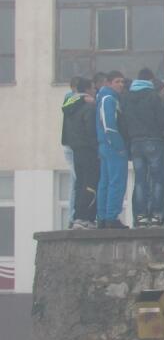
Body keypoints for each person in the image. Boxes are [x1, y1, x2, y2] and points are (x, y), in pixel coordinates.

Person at [121, 68, 164, 227]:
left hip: (135, 142)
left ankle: (140, 216)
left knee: (140, 180)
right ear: (151, 79)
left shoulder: (126, 97)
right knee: (157, 180)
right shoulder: (153, 96)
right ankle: (155, 216)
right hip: (153, 140)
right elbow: (161, 120)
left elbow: (124, 121)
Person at [62, 77, 98, 229]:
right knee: (90, 183)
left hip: (75, 148)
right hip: (88, 149)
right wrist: (96, 147)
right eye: (94, 88)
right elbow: (90, 130)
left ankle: (77, 216)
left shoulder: (71, 105)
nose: (95, 91)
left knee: (79, 183)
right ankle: (85, 217)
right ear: (88, 89)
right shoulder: (89, 107)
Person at [95, 71, 128, 229]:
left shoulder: (101, 98)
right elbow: (109, 125)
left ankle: (102, 217)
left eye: (122, 82)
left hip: (103, 145)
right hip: (112, 145)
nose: (121, 85)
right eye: (117, 82)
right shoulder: (109, 99)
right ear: (108, 83)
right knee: (117, 182)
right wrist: (119, 145)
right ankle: (111, 217)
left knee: (105, 182)